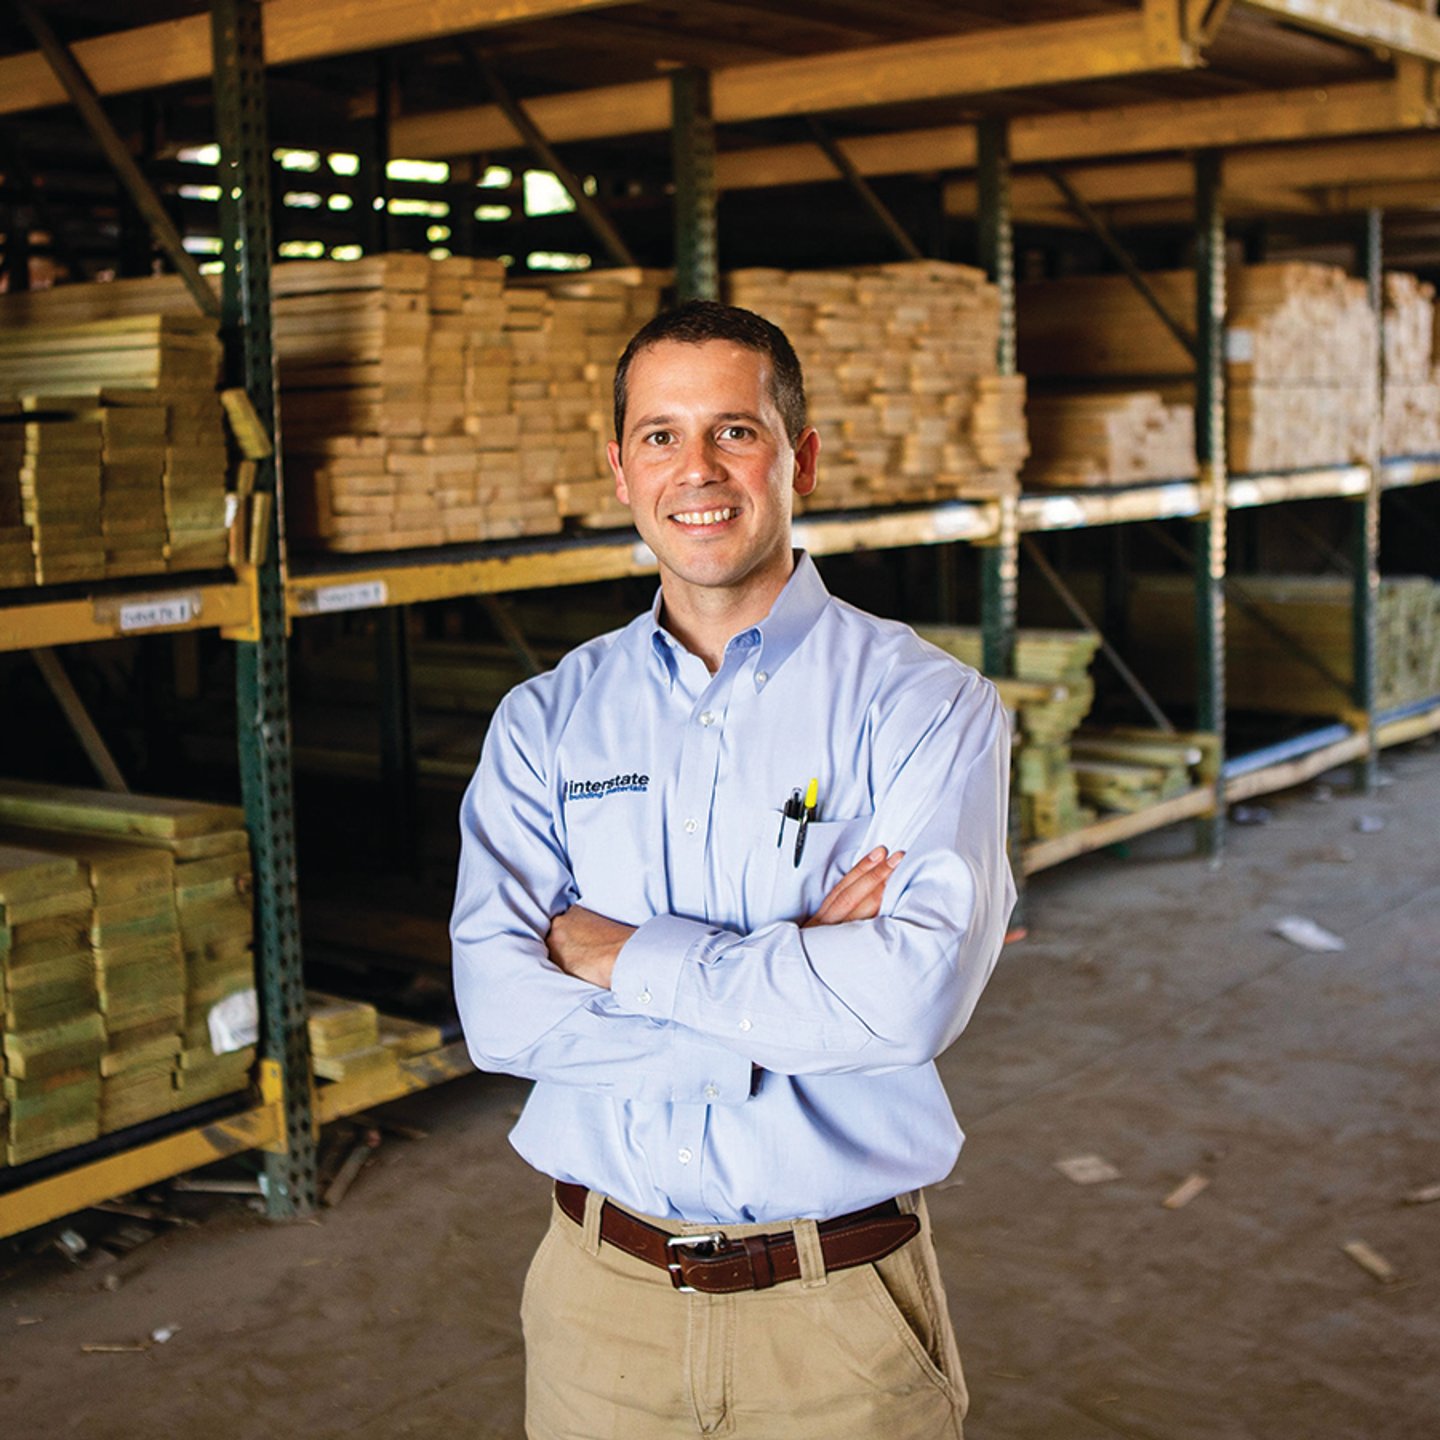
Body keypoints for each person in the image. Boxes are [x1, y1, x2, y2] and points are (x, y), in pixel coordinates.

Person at [451, 299, 1015, 1439]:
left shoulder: (924, 705)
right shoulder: (546, 722)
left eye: (734, 431)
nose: (695, 470)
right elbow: (502, 1017)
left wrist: (618, 956)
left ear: (797, 454)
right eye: (660, 435)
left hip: (836, 1318)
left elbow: (907, 1006)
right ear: (619, 468)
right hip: (598, 1312)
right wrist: (800, 975)